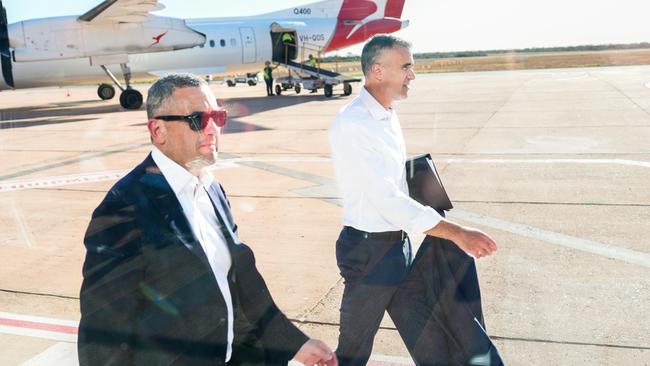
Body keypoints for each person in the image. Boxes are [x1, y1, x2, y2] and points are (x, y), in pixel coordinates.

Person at [78, 73, 337, 366]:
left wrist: (292, 343)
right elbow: (103, 331)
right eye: (198, 119)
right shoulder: (124, 207)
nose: (213, 128)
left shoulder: (211, 188)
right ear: (158, 130)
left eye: (218, 116)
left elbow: (241, 283)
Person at [328, 35, 503, 365]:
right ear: (378, 71)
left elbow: (394, 182)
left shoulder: (386, 114)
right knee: (352, 354)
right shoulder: (352, 124)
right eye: (406, 66)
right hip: (369, 255)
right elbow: (386, 199)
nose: (413, 75)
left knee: (433, 343)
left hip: (399, 248)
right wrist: (456, 233)